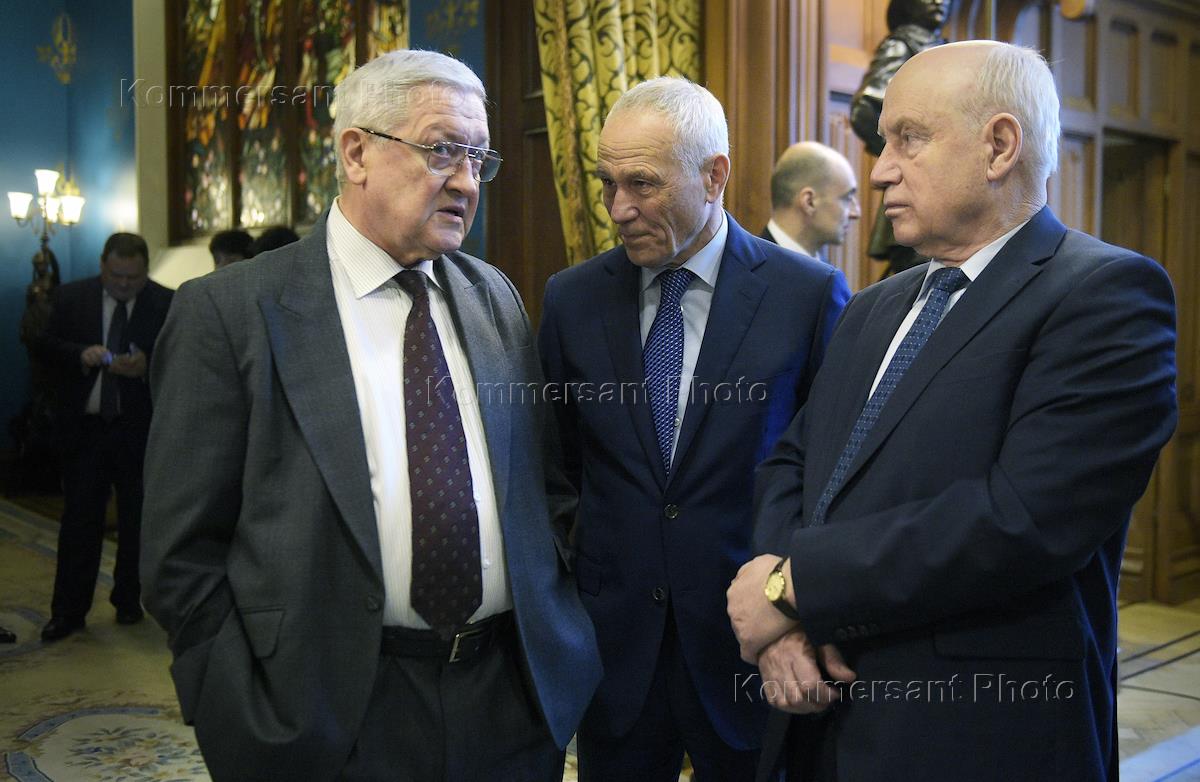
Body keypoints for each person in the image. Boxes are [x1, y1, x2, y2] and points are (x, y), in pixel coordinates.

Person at [141, 49, 601, 781]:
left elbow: (544, 487)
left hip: (508, 701)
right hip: (326, 711)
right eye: (442, 149)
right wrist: (235, 702)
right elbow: (179, 555)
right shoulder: (231, 312)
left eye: (478, 157)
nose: (466, 181)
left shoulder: (495, 298)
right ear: (356, 152)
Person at [728, 41, 1177, 782]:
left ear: (999, 146)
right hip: (816, 723)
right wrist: (784, 625)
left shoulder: (1106, 296)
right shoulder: (872, 307)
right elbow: (795, 463)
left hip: (976, 736)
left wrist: (792, 586)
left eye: (908, 138)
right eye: (882, 143)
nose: (880, 170)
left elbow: (1025, 519)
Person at [539, 77, 850, 781]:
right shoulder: (573, 300)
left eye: (643, 184)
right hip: (616, 656)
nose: (619, 208)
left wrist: (797, 610)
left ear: (714, 176)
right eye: (607, 183)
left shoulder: (806, 297)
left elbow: (833, 477)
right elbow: (555, 471)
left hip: (757, 650)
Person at [37, 232, 173, 642]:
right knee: (80, 521)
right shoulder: (71, 298)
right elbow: (43, 347)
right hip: (86, 430)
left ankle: (128, 600)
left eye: (133, 277)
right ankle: (68, 611)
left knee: (137, 521)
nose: (125, 284)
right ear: (102, 266)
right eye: (117, 276)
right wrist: (80, 355)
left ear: (146, 271)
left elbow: (182, 359)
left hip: (139, 431)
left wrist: (148, 366)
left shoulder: (166, 302)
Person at [850, 0, 949, 276]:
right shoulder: (902, 46)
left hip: (944, 188)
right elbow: (864, 110)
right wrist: (907, 149)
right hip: (917, 188)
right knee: (916, 275)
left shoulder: (945, 50)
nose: (939, 1)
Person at [762, 142, 861, 261]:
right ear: (809, 202)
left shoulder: (826, 269)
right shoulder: (749, 268)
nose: (856, 213)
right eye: (847, 198)